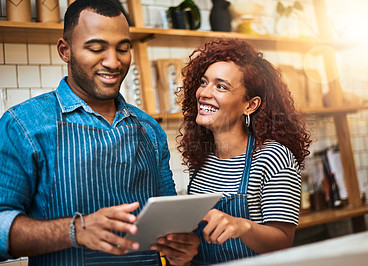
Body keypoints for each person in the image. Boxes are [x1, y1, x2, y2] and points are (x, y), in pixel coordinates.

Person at [0, 0, 199, 265]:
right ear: (65, 50)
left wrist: (180, 248)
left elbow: (169, 226)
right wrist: (76, 230)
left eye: (123, 48)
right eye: (96, 48)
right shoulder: (24, 125)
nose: (113, 62)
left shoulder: (150, 130)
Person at [177, 38, 312, 264]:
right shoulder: (203, 161)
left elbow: (282, 242)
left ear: (250, 105)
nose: (204, 93)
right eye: (204, 82)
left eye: (221, 86)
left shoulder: (273, 157)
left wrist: (242, 226)